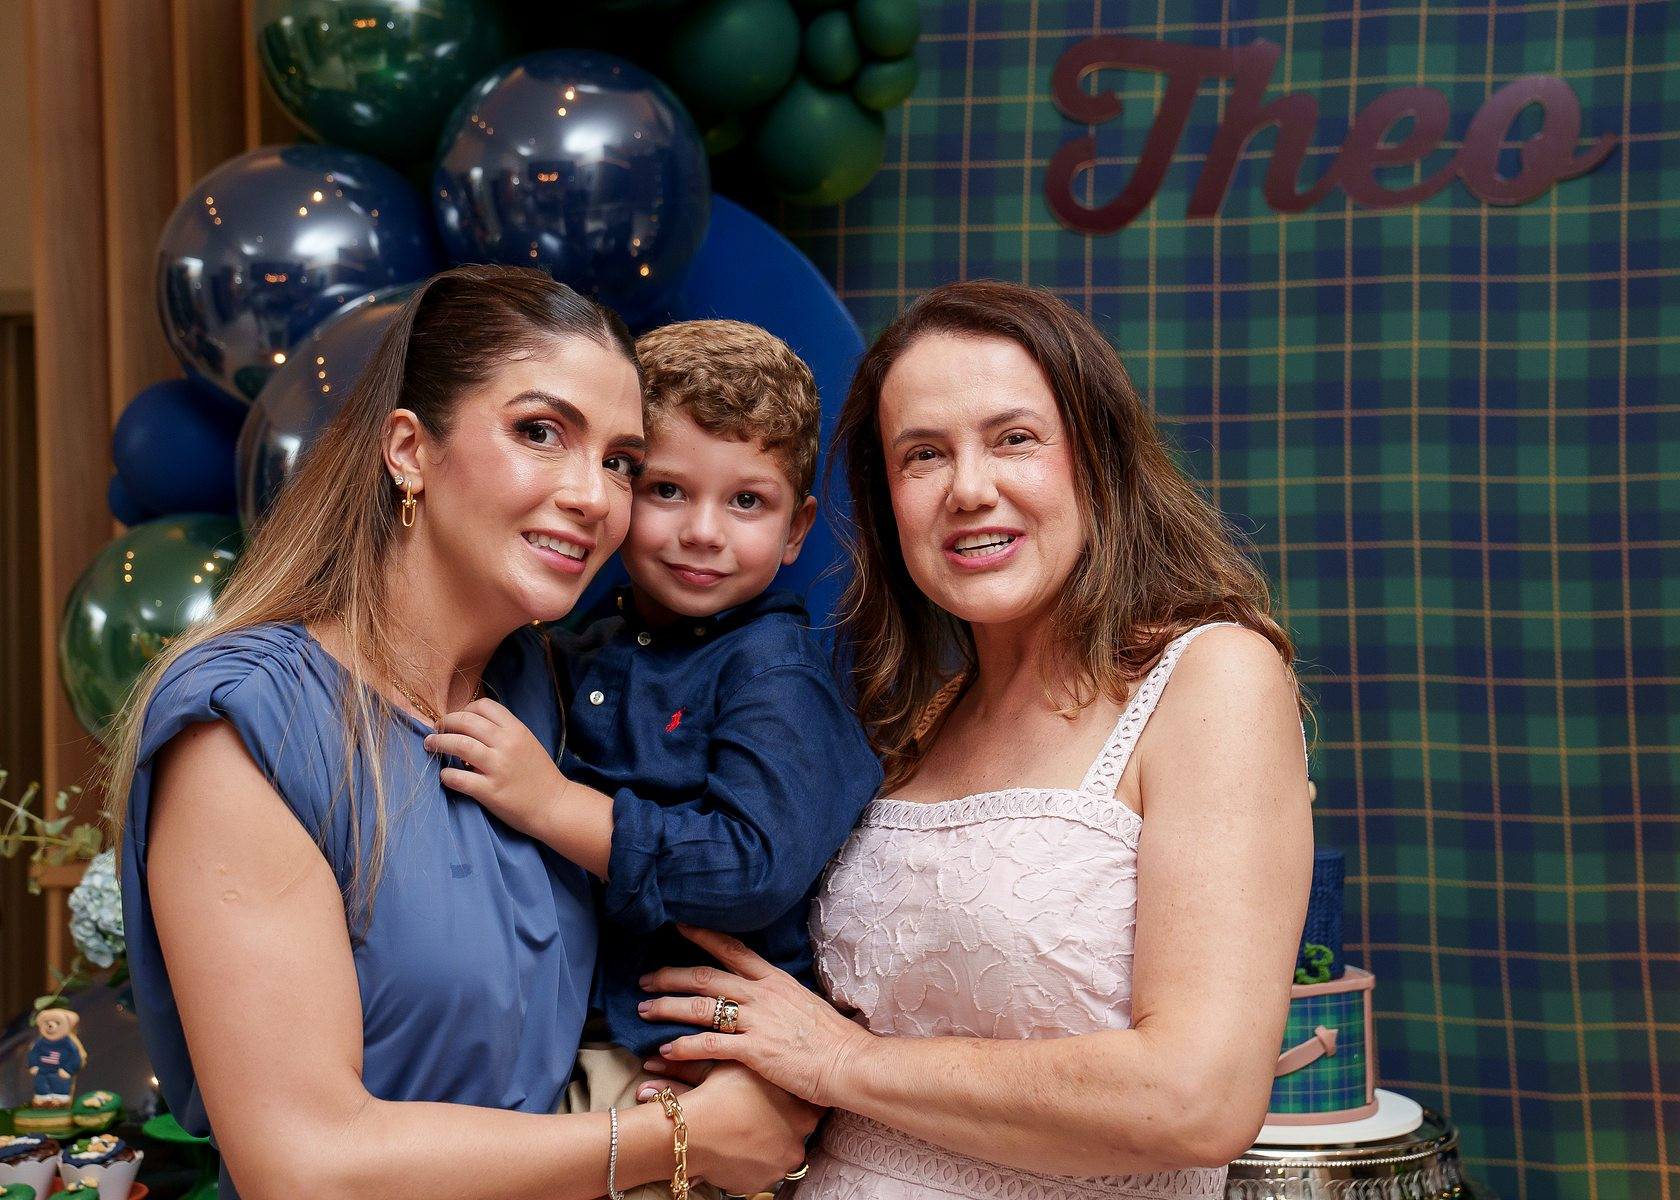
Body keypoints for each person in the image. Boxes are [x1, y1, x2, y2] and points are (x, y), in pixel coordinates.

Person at [108, 266, 817, 1200]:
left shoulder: (546, 693)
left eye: (620, 462)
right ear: (409, 449)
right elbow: (304, 1165)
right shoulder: (251, 721)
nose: (593, 496)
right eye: (541, 432)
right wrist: (680, 1137)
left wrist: (780, 1042)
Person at [636, 280, 1314, 1198]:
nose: (969, 489)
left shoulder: (1210, 676)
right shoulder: (912, 719)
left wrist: (841, 1063)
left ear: (1097, 459)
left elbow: (1197, 1101)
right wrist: (729, 1095)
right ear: (887, 502)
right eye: (923, 455)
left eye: (1014, 439)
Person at [426, 320, 882, 1198]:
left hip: (701, 1072)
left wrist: (553, 805)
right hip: (581, 1049)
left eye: (747, 502)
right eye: (668, 490)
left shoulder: (776, 673)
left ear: (797, 529)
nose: (702, 532)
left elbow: (753, 868)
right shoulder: (581, 645)